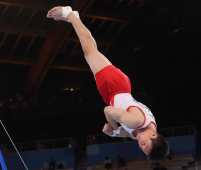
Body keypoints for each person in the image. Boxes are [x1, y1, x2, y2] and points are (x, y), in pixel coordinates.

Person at [47, 6, 169, 161]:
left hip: (118, 89)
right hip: (114, 86)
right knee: (88, 51)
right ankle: (69, 14)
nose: (140, 145)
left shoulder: (144, 131)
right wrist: (114, 129)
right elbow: (108, 111)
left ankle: (75, 18)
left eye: (142, 149)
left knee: (93, 50)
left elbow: (127, 130)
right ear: (153, 135)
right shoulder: (137, 121)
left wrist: (117, 132)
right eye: (145, 144)